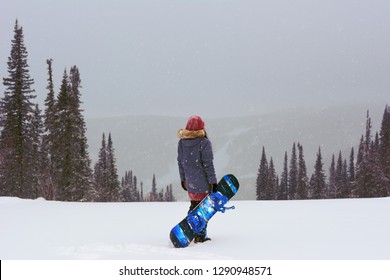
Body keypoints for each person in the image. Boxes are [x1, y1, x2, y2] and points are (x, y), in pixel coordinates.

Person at [177, 115, 217, 243]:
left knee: (195, 206)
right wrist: (213, 182)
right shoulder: (204, 143)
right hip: (203, 184)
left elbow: (180, 162)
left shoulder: (181, 143)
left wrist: (183, 179)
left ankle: (191, 229)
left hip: (190, 184)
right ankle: (200, 235)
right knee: (203, 210)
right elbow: (208, 164)